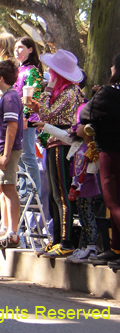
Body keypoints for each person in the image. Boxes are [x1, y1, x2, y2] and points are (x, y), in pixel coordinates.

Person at [29, 49, 86, 258]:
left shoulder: (69, 92)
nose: (50, 74)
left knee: (62, 194)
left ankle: (66, 240)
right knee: (55, 194)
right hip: (54, 142)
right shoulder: (66, 92)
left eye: (53, 71)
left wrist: (46, 91)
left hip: (62, 143)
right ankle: (56, 239)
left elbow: (47, 113)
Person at [79, 52, 120, 267]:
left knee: (113, 201)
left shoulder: (108, 92)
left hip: (111, 152)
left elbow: (86, 114)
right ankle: (115, 248)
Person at [0, 60, 23, 248]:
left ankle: (13, 232)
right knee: (1, 189)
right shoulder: (4, 96)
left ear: (1, 78)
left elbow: (12, 126)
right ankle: (4, 227)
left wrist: (6, 155)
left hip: (5, 149)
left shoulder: (10, 98)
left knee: (8, 188)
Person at [13, 37, 45, 193]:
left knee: (27, 155)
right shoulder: (16, 70)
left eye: (20, 47)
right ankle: (24, 188)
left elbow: (34, 95)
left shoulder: (33, 70)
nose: (16, 50)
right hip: (14, 117)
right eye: (15, 47)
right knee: (18, 155)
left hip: (27, 118)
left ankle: (34, 190)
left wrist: (25, 115)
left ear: (30, 49)